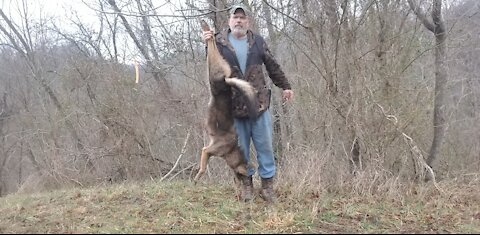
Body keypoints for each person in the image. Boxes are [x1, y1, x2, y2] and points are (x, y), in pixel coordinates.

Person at [202, 3, 294, 202]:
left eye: (242, 18)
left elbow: (272, 65)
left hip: (258, 106)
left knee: (266, 148)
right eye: (235, 17)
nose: (239, 21)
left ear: (248, 21)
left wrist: (285, 86)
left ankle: (267, 188)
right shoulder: (217, 42)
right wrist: (207, 44)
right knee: (241, 151)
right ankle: (246, 188)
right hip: (232, 109)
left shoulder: (257, 42)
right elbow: (212, 70)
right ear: (229, 21)